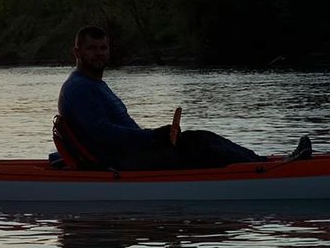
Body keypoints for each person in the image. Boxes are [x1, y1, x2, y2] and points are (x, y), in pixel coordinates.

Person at [57, 26, 311, 170]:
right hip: (115, 162)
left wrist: (156, 138)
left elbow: (120, 130)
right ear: (77, 51)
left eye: (103, 48)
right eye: (91, 49)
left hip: (126, 153)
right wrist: (154, 136)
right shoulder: (80, 88)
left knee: (197, 137)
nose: (99, 54)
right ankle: (264, 169)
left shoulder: (94, 84)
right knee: (195, 143)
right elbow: (103, 133)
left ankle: (263, 162)